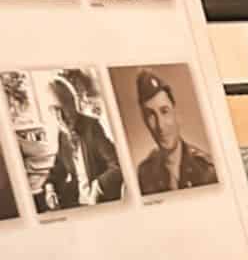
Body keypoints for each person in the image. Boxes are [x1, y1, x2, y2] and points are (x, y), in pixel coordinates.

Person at [39, 73, 123, 211]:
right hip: (78, 201)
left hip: (99, 202)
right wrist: (50, 188)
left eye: (61, 109)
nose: (59, 118)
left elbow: (116, 165)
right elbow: (58, 169)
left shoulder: (92, 127)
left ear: (71, 104)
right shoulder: (62, 134)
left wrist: (99, 185)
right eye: (53, 111)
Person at [134, 70, 217, 194]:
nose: (160, 126)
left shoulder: (208, 170)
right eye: (151, 115)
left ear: (176, 114)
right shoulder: (144, 174)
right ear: (144, 121)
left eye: (164, 111)